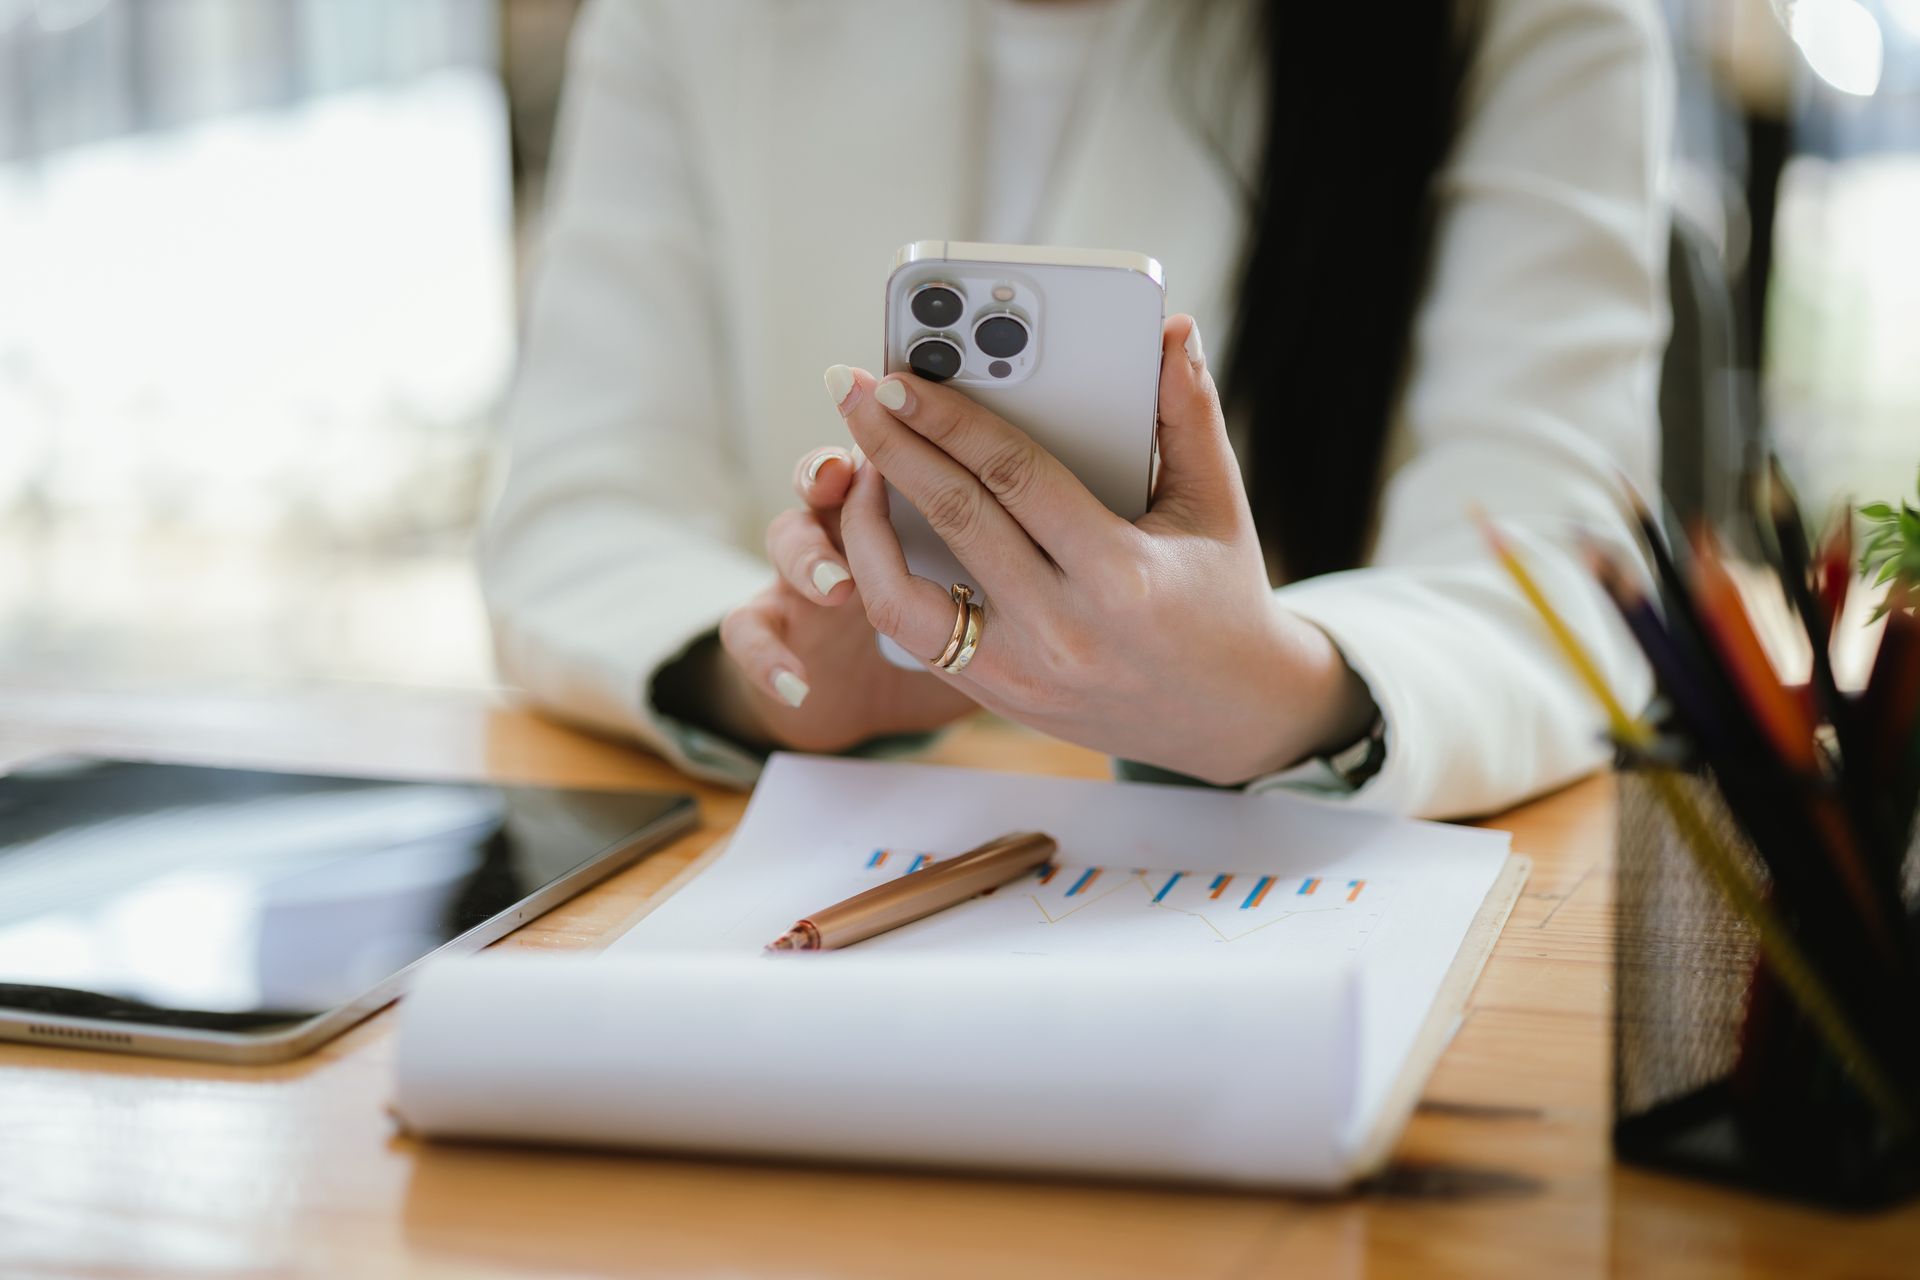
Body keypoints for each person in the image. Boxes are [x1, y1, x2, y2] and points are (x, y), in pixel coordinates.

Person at [480, 0, 1671, 819]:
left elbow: (1557, 571)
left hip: (1284, 899)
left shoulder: (1528, 25)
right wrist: (781, 676)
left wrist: (1284, 692)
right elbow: (576, 513)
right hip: (833, 865)